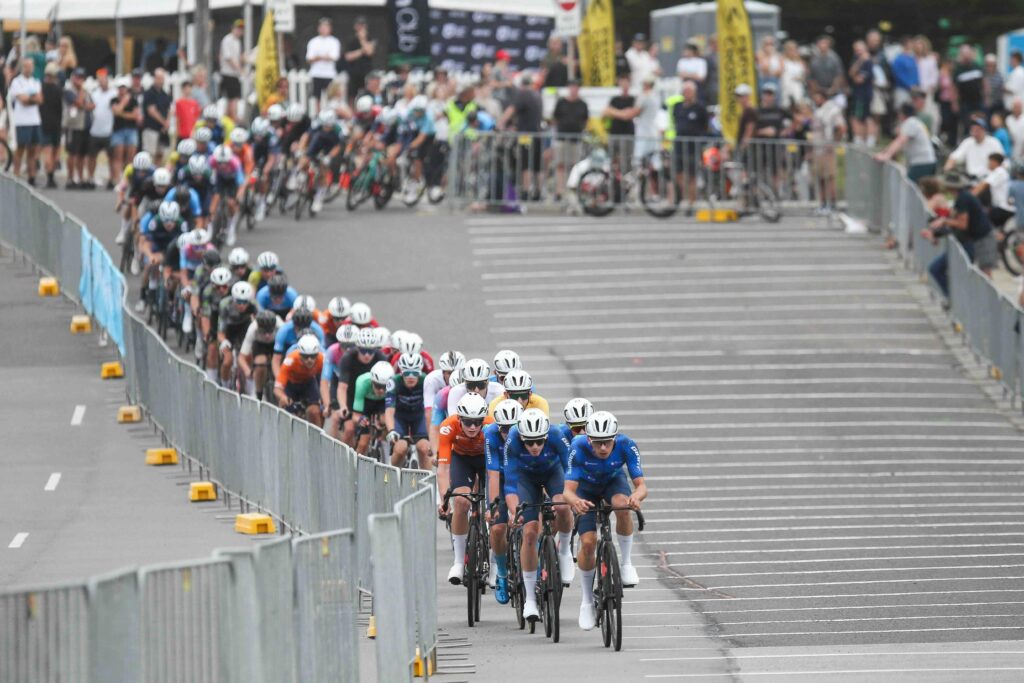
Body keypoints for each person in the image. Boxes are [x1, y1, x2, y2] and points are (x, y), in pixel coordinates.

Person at [562, 411, 647, 631]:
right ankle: (587, 601)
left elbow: (641, 486)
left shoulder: (627, 445)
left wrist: (636, 497)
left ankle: (626, 562)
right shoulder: (578, 447)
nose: (602, 448)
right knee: (588, 543)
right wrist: (575, 502)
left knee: (622, 505)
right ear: (589, 439)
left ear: (615, 438)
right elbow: (568, 492)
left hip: (612, 483)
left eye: (607, 442)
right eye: (597, 443)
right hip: (586, 489)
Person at [503, 409, 573, 622]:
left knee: (562, 505)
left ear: (546, 436)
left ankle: (565, 550)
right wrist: (515, 512)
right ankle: (530, 600)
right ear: (522, 438)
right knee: (530, 532)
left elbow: (572, 470)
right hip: (525, 480)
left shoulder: (557, 435)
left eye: (539, 442)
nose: (534, 447)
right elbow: (510, 484)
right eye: (529, 442)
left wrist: (571, 498)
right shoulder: (513, 441)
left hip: (554, 473)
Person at [438, 393, 494, 585]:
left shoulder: (491, 426)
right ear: (459, 418)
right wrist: (444, 500)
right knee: (461, 501)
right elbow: (443, 469)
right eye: (468, 422)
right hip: (462, 459)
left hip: (487, 461)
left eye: (477, 422)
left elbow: (498, 468)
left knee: (495, 507)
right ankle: (459, 562)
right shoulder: (448, 426)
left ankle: (494, 565)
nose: (472, 427)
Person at [922, 172, 998, 299]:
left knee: (985, 272)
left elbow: (962, 224)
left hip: (983, 237)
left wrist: (944, 221)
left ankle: (990, 300)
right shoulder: (962, 197)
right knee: (982, 272)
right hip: (975, 237)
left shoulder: (963, 199)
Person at [385, 353, 431, 469]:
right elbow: (389, 411)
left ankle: (428, 480)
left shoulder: (426, 381)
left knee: (424, 448)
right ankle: (392, 474)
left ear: (420, 373)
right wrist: (391, 430)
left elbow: (431, 409)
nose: (410, 377)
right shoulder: (393, 382)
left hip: (419, 416)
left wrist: (432, 431)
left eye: (415, 373)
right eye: (406, 373)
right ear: (401, 373)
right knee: (400, 448)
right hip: (400, 417)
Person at [669, 80, 708, 212]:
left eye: (689, 91)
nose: (687, 94)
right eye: (685, 91)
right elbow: (675, 122)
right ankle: (685, 196)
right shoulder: (677, 106)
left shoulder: (700, 108)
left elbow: (705, 126)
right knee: (678, 173)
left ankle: (692, 203)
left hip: (693, 146)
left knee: (692, 175)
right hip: (679, 144)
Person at [875, 103, 936, 183]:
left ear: (903, 114)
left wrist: (887, 155)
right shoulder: (915, 122)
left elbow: (900, 141)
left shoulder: (910, 122)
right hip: (926, 161)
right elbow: (898, 142)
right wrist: (883, 152)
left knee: (909, 188)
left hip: (921, 162)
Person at [274, 334, 325, 426]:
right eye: (305, 357)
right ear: (299, 354)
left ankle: (317, 437)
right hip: (290, 385)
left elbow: (326, 383)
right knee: (288, 414)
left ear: (318, 354)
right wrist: (283, 397)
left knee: (314, 411)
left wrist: (324, 399)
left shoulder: (322, 359)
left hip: (308, 383)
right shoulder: (290, 360)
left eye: (313, 356)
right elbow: (277, 389)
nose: (309, 360)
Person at [810, 89, 845, 214]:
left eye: (817, 97)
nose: (815, 100)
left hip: (827, 149)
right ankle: (823, 204)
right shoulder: (817, 110)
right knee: (820, 178)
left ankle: (833, 204)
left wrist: (833, 143)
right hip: (817, 148)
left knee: (830, 177)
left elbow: (840, 128)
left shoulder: (832, 110)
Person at [552, 79, 589, 198]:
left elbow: (585, 120)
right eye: (572, 87)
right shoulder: (561, 102)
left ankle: (572, 190)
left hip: (575, 139)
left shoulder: (582, 104)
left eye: (576, 87)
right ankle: (560, 191)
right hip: (562, 137)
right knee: (560, 164)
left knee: (574, 166)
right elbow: (555, 118)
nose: (573, 89)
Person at [63, 67, 94, 189]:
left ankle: (81, 178)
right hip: (74, 125)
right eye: (77, 77)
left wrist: (85, 105)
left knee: (82, 154)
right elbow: (79, 103)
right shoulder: (68, 90)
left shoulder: (87, 91)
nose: (80, 80)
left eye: (82, 78)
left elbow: (92, 105)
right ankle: (70, 178)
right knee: (72, 153)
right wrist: (81, 91)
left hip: (85, 126)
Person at [603, 73, 638, 172]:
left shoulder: (633, 99)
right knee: (612, 160)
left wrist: (614, 112)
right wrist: (622, 113)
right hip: (614, 133)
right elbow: (605, 112)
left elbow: (629, 115)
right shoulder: (614, 99)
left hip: (627, 134)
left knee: (626, 161)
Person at [88, 69, 117, 189]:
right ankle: (90, 178)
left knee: (111, 157)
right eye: (100, 79)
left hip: (108, 130)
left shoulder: (113, 93)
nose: (102, 82)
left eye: (104, 79)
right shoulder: (94, 93)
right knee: (92, 157)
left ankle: (112, 179)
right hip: (95, 130)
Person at [37, 62, 63, 187]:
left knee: (47, 151)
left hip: (44, 122)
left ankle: (49, 176)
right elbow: (60, 108)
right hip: (56, 123)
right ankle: (52, 177)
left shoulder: (40, 88)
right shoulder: (58, 89)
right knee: (54, 151)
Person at [111, 77, 140, 183]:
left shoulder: (134, 101)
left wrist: (121, 114)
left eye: (124, 88)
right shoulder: (114, 100)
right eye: (120, 88)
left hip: (131, 130)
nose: (122, 90)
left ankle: (127, 180)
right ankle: (118, 180)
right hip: (118, 130)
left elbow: (135, 115)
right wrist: (123, 102)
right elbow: (116, 111)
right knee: (118, 157)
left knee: (130, 157)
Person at [973, 153, 1014, 229]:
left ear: (994, 162)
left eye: (989, 162)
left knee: (981, 224)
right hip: (1002, 208)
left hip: (1002, 208)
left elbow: (984, 185)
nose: (988, 164)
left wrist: (971, 196)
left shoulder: (999, 172)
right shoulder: (1000, 172)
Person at [307, 18, 342, 105]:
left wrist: (318, 57)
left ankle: (330, 112)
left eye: (326, 27)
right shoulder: (313, 42)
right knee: (317, 97)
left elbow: (334, 57)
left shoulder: (334, 41)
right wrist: (324, 57)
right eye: (322, 27)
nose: (324, 29)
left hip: (329, 74)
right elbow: (310, 58)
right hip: (316, 73)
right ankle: (318, 114)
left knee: (331, 96)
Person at [142, 68, 172, 165]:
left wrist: (166, 124)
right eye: (159, 78)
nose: (161, 80)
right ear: (154, 78)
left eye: (162, 78)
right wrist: (164, 122)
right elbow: (152, 111)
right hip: (151, 128)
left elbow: (168, 109)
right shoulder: (149, 93)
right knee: (150, 154)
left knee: (160, 154)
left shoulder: (164, 94)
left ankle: (157, 173)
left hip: (162, 130)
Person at [848, 40, 874, 146]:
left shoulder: (868, 61)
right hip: (858, 93)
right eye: (856, 49)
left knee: (863, 117)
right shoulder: (856, 60)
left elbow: (859, 79)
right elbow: (851, 73)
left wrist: (855, 75)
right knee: (858, 116)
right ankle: (860, 139)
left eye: (860, 49)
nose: (858, 51)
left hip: (864, 94)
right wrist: (859, 61)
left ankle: (866, 140)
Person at [955, 45, 984, 138]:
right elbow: (954, 87)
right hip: (965, 102)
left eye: (968, 54)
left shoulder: (977, 67)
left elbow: (983, 83)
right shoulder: (958, 70)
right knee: (967, 124)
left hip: (978, 100)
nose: (967, 56)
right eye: (964, 54)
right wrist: (954, 102)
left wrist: (986, 97)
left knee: (980, 122)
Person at [219, 19, 245, 121]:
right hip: (228, 74)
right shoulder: (227, 40)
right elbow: (228, 57)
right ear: (233, 28)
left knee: (235, 98)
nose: (240, 31)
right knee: (232, 99)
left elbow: (239, 57)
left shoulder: (238, 42)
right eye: (238, 28)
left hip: (235, 75)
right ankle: (232, 118)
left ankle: (233, 118)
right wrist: (240, 69)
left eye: (241, 29)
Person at [345, 16, 376, 97]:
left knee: (366, 94)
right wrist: (362, 51)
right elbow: (348, 57)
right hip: (353, 72)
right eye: (359, 25)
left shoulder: (370, 39)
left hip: (366, 72)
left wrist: (362, 39)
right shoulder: (351, 39)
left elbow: (369, 52)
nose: (361, 27)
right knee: (351, 95)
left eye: (362, 25)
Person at [890, 36, 920, 110]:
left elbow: (915, 73)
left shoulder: (912, 58)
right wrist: (909, 85)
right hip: (902, 89)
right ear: (905, 45)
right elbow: (898, 75)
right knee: (901, 110)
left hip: (913, 90)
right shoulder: (898, 59)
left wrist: (916, 84)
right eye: (911, 43)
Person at [780, 40, 806, 108]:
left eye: (794, 49)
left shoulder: (800, 62)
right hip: (787, 87)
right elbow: (779, 73)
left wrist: (801, 78)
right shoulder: (782, 60)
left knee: (800, 104)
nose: (793, 51)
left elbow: (804, 75)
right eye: (790, 49)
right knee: (787, 105)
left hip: (798, 87)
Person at [983, 54, 1004, 119]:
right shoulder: (983, 75)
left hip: (997, 103)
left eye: (991, 65)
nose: (990, 67)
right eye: (988, 65)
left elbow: (1001, 87)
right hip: (987, 105)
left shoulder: (999, 75)